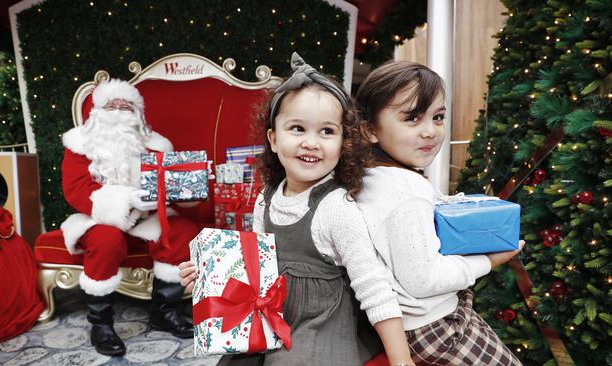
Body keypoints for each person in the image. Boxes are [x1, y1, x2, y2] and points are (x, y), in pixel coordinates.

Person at [179, 53, 415, 366]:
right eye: (297, 129)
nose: (311, 142)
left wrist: (401, 360)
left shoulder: (336, 208)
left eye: (327, 131)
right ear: (274, 140)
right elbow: (256, 272)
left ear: (343, 143)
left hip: (320, 322)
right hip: (269, 311)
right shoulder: (266, 197)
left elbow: (373, 287)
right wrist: (212, 280)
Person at [354, 60, 524, 365]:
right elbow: (423, 279)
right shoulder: (405, 189)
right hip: (437, 328)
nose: (430, 131)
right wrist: (488, 261)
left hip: (412, 329)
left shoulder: (372, 177)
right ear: (369, 130)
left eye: (438, 117)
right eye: (412, 118)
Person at [60, 79, 200, 356]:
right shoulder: (80, 143)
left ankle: (164, 312)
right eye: (113, 106)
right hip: (99, 217)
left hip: (147, 217)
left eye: (127, 106)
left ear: (138, 113)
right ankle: (101, 323)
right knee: (106, 240)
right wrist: (124, 200)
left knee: (181, 230)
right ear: (98, 111)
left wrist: (180, 189)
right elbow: (76, 190)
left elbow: (170, 182)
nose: (121, 111)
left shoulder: (157, 144)